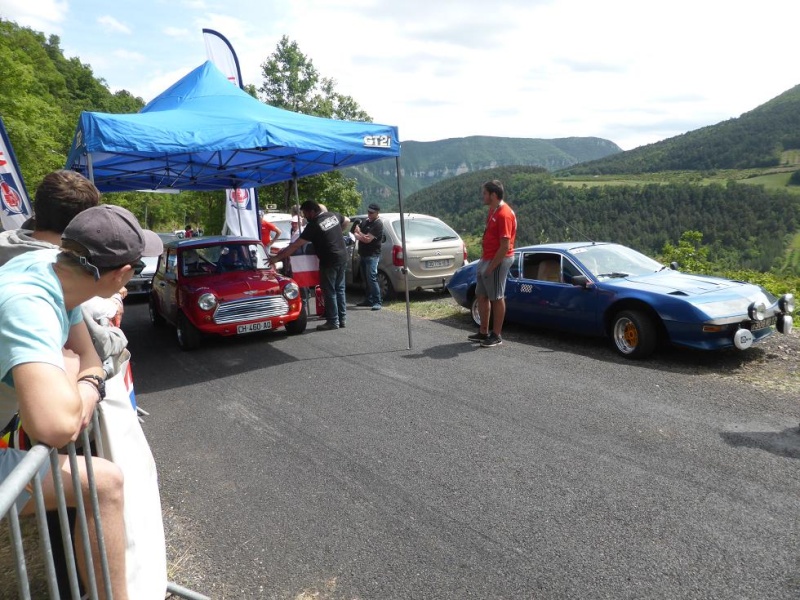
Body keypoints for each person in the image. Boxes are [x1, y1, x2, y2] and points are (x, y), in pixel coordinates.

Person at [0, 203, 163, 600]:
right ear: (122, 274)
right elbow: (55, 426)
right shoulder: (30, 305)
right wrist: (88, 383)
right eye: (137, 270)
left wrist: (79, 374)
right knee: (103, 483)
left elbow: (85, 358)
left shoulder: (56, 272)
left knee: (103, 482)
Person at [269, 200, 350, 330]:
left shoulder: (314, 225)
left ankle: (333, 321)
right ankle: (342, 319)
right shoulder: (332, 215)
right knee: (340, 289)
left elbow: (295, 245)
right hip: (342, 256)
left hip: (328, 259)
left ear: (312, 211)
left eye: (305, 213)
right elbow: (346, 220)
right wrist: (338, 232)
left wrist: (277, 258)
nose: (305, 216)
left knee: (329, 290)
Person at [469, 180, 517, 348]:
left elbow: (505, 246)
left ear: (493, 195)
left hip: (497, 260)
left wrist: (491, 267)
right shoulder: (493, 210)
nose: (483, 196)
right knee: (481, 295)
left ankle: (496, 335)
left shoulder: (504, 214)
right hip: (486, 258)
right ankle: (483, 332)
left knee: (496, 297)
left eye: (485, 193)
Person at [353, 203, 384, 310]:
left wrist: (358, 234)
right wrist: (358, 232)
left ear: (377, 213)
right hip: (363, 254)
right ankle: (369, 299)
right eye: (368, 212)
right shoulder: (366, 221)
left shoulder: (378, 224)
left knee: (372, 278)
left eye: (371, 213)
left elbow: (367, 239)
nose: (369, 214)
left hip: (372, 255)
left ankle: (377, 301)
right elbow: (358, 232)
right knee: (365, 278)